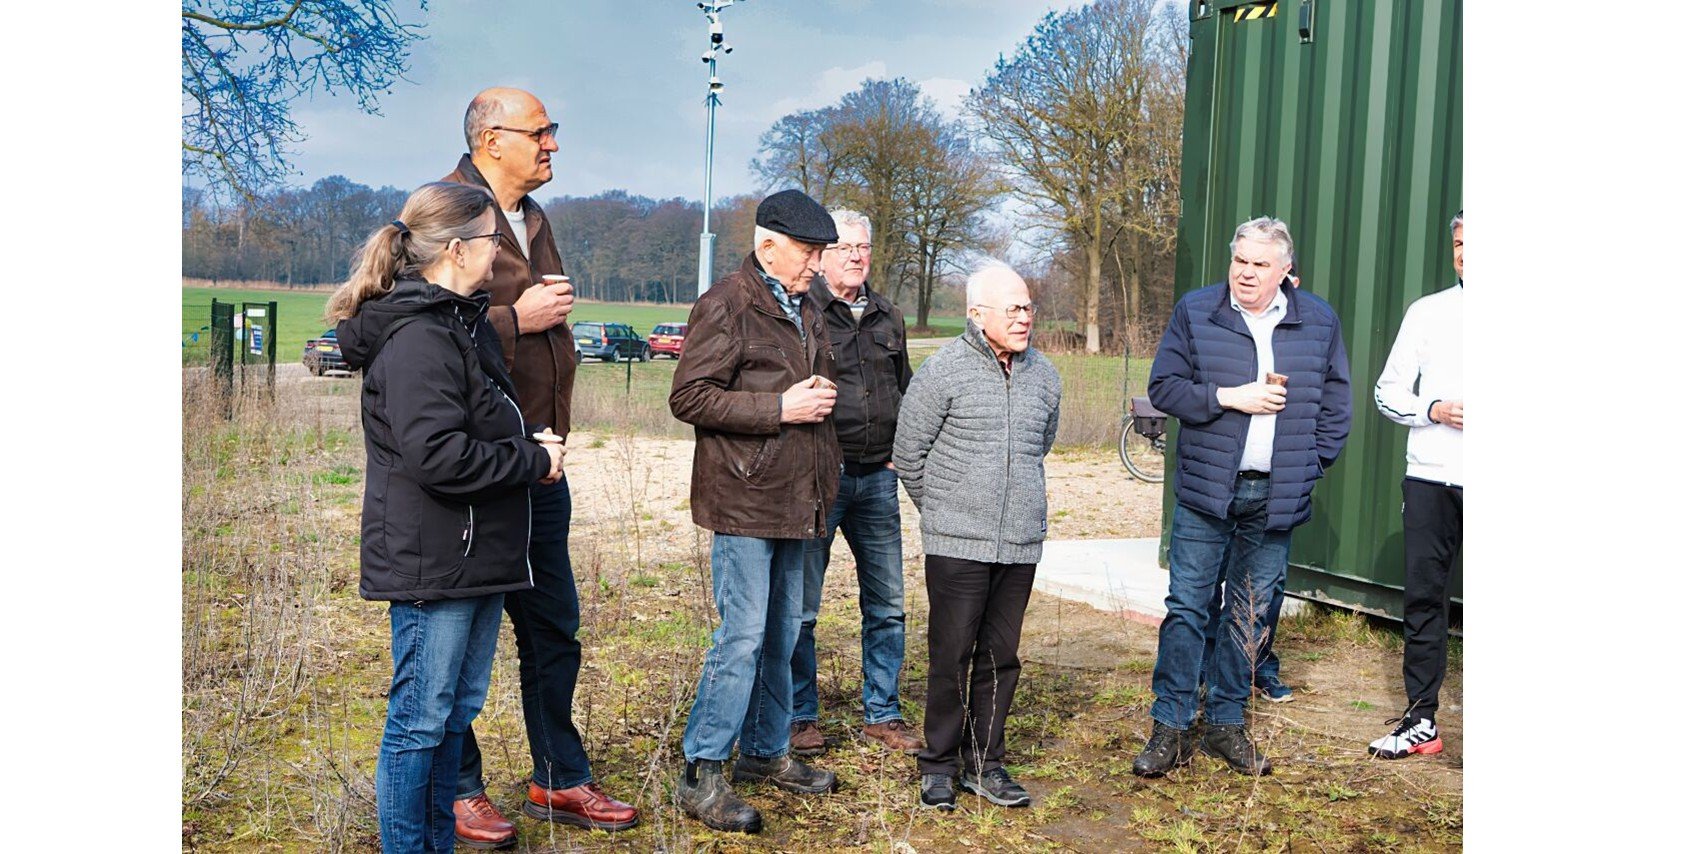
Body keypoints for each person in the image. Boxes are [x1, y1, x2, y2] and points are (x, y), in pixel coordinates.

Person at [328, 181, 567, 853]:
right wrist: (531, 459)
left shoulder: (459, 323)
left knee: (452, 715)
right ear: (457, 250)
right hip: (436, 561)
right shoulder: (418, 337)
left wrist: (526, 445)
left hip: (474, 555)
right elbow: (437, 456)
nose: (499, 253)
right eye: (492, 240)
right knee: (419, 723)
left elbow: (468, 427)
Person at [442, 87, 638, 846]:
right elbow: (410, 324)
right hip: (477, 467)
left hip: (541, 464)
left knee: (554, 629)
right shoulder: (446, 212)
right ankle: (457, 788)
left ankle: (557, 776)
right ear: (492, 139)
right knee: (459, 643)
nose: (552, 142)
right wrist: (513, 321)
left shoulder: (535, 218)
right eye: (540, 131)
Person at [1132, 216, 1351, 779]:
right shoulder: (1197, 311)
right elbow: (1164, 388)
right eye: (1239, 261)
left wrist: (1309, 466)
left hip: (1275, 494)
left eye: (1260, 264)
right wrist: (1230, 397)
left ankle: (1226, 724)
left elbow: (1336, 404)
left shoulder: (1318, 320)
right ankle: (1171, 725)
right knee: (1187, 607)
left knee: (1249, 613)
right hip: (1208, 490)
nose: (1246, 273)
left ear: (1285, 270)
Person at [669, 189, 845, 834]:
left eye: (821, 252)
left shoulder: (808, 306)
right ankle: (702, 770)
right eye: (807, 251)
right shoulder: (725, 304)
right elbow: (689, 396)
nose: (816, 264)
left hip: (799, 497)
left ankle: (766, 753)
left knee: (783, 633)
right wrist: (779, 409)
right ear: (767, 246)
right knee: (741, 638)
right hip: (744, 501)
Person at [893, 262, 1062, 812]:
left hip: (1019, 542)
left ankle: (986, 763)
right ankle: (939, 764)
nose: (1024, 317)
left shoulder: (1045, 376)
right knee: (951, 655)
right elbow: (908, 453)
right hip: (956, 542)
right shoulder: (943, 370)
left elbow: (1039, 446)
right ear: (976, 313)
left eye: (1028, 306)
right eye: (1012, 308)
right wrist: (946, 511)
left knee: (1001, 657)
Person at [788, 208, 923, 757]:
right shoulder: (804, 311)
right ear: (822, 257)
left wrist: (901, 454)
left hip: (878, 480)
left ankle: (882, 714)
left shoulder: (889, 315)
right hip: (822, 478)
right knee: (802, 608)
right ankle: (799, 716)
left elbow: (906, 390)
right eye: (845, 248)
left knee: (887, 605)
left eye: (863, 247)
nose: (856, 257)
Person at [1368, 210, 1463, 760]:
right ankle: (1421, 720)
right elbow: (1387, 392)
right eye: (1459, 244)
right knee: (1425, 601)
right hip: (1430, 479)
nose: (1466, 254)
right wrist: (1434, 409)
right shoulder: (1427, 312)